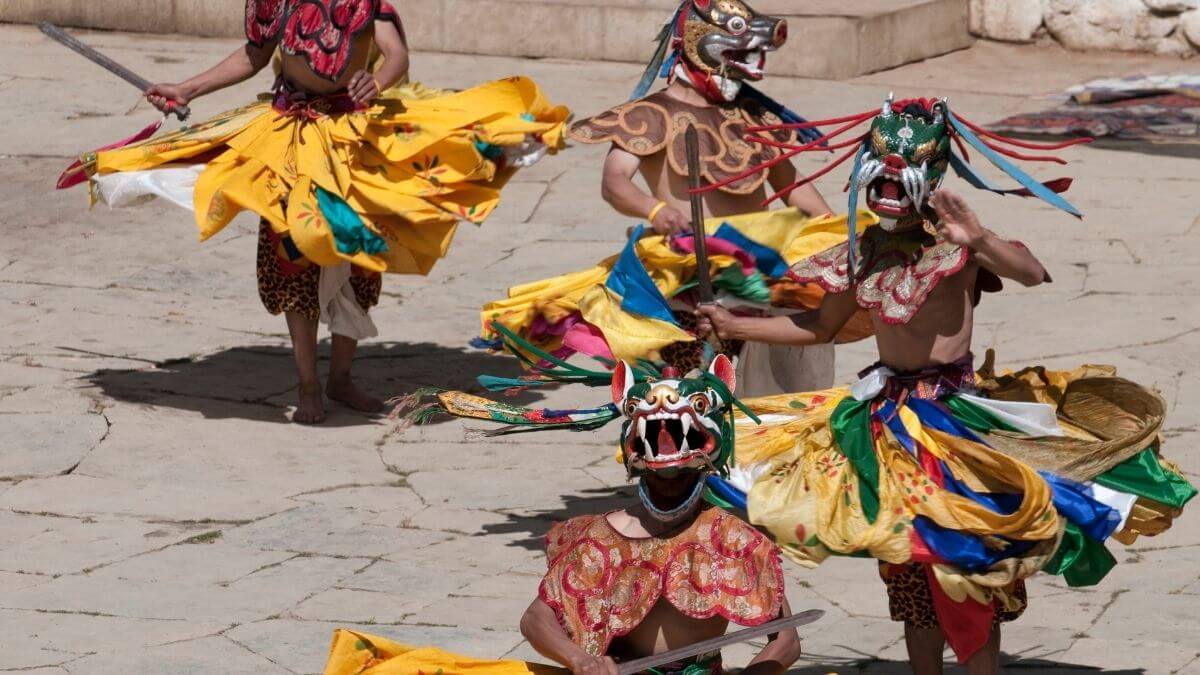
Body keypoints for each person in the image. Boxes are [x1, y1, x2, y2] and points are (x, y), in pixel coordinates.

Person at [692, 96, 1195, 674]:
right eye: (877, 166)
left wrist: (978, 236)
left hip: (955, 420)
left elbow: (1033, 273)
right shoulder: (864, 249)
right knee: (910, 572)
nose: (887, 182)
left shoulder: (958, 244)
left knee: (968, 567)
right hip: (885, 421)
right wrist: (735, 324)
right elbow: (821, 327)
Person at [59, 0, 569, 424]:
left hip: (353, 136)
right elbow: (254, 56)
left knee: (359, 255)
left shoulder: (368, 3)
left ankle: (342, 378)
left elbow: (395, 55)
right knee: (293, 257)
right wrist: (187, 88)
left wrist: (379, 81)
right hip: (290, 136)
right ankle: (307, 385)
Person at [325, 358, 808, 675]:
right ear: (634, 453)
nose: (668, 470)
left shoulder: (735, 539)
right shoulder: (600, 536)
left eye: (678, 458)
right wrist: (579, 659)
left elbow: (785, 638)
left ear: (705, 455)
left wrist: (757, 673)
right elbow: (536, 619)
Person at [480, 0, 845, 398]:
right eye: (740, 51)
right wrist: (655, 210)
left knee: (774, 405)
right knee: (679, 402)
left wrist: (839, 239)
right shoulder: (651, 114)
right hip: (685, 284)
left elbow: (800, 194)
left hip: (758, 279)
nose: (749, 62)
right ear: (697, 42)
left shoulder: (756, 117)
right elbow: (615, 181)